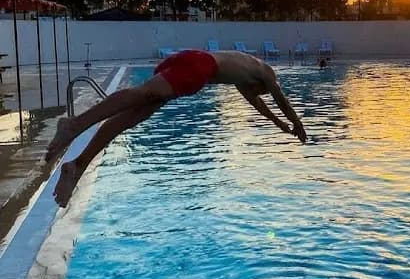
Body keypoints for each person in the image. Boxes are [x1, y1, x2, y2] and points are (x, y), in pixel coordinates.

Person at [46, 49, 307, 207]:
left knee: (135, 115)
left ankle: (77, 166)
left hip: (193, 61)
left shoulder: (245, 74)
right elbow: (279, 100)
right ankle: (75, 124)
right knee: (143, 94)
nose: (253, 94)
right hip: (199, 66)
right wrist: (297, 124)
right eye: (258, 91)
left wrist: (281, 125)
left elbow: (258, 105)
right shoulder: (265, 71)